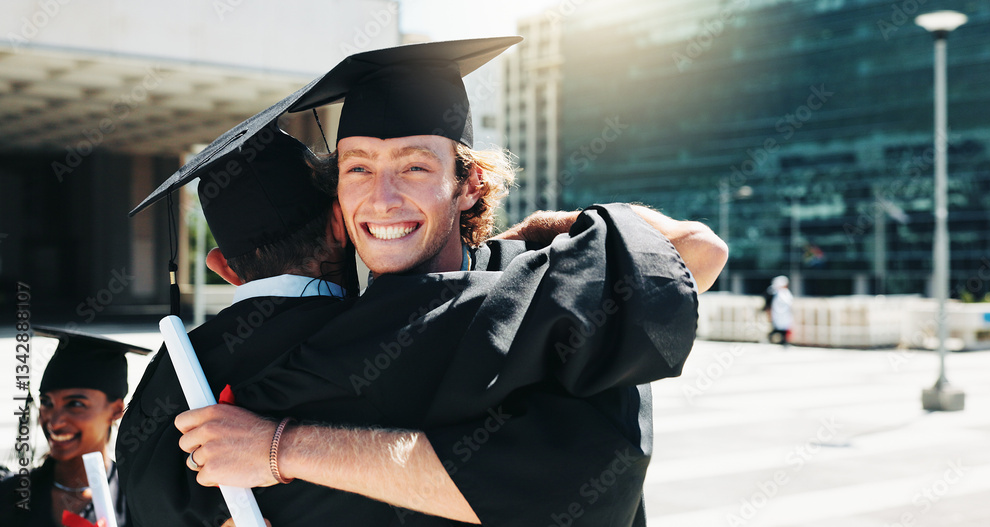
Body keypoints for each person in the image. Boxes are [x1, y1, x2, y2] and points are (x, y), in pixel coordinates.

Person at [168, 37, 726, 526]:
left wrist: (279, 448)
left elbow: (698, 251)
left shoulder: (542, 290)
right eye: (357, 167)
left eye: (414, 167)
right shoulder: (335, 330)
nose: (381, 200)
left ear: (469, 185)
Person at [1, 326, 149, 527]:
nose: (54, 421)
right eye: (46, 402)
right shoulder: (9, 495)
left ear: (116, 410)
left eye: (76, 404)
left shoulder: (139, 503)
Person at [765, 275, 794, 346]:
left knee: (784, 328)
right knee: (777, 328)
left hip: (784, 315)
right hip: (778, 314)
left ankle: (784, 341)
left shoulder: (785, 293)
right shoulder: (775, 293)